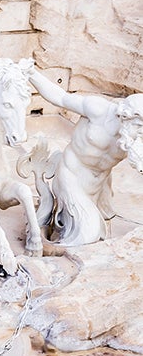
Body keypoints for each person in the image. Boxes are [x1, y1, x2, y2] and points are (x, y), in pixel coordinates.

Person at [30, 68, 143, 245]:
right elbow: (60, 97)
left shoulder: (134, 138)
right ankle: (54, 252)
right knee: (88, 233)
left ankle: (55, 231)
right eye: (138, 126)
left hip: (99, 185)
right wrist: (31, 73)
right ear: (126, 116)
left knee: (82, 228)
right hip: (71, 174)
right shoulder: (98, 110)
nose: (140, 132)